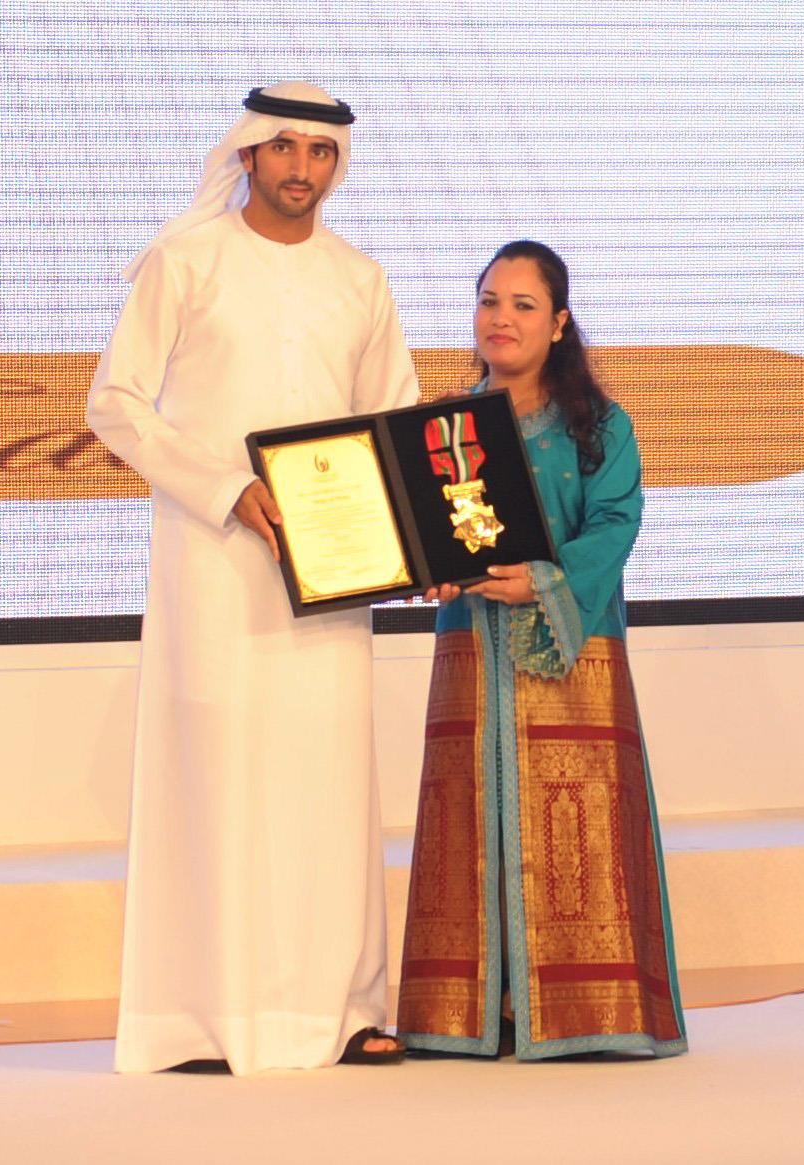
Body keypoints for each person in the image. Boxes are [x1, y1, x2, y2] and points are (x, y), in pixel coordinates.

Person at [86, 82, 419, 1074]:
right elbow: (116, 402)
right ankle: (198, 1018)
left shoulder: (360, 280)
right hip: (214, 563)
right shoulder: (186, 262)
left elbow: (394, 424)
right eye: (284, 148)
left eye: (320, 153)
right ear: (247, 156)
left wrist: (414, 545)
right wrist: (227, 490)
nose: (301, 168)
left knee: (328, 781)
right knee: (218, 780)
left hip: (328, 574)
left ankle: (343, 1011)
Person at [396, 241, 687, 1060]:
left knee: (577, 823)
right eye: (489, 300)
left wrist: (546, 580)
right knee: (472, 810)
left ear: (559, 323)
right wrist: (425, 566)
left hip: (570, 647)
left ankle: (584, 1010)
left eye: (523, 304)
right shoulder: (445, 426)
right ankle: (477, 1011)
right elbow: (434, 531)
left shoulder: (601, 426)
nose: (502, 318)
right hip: (473, 649)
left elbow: (617, 523)